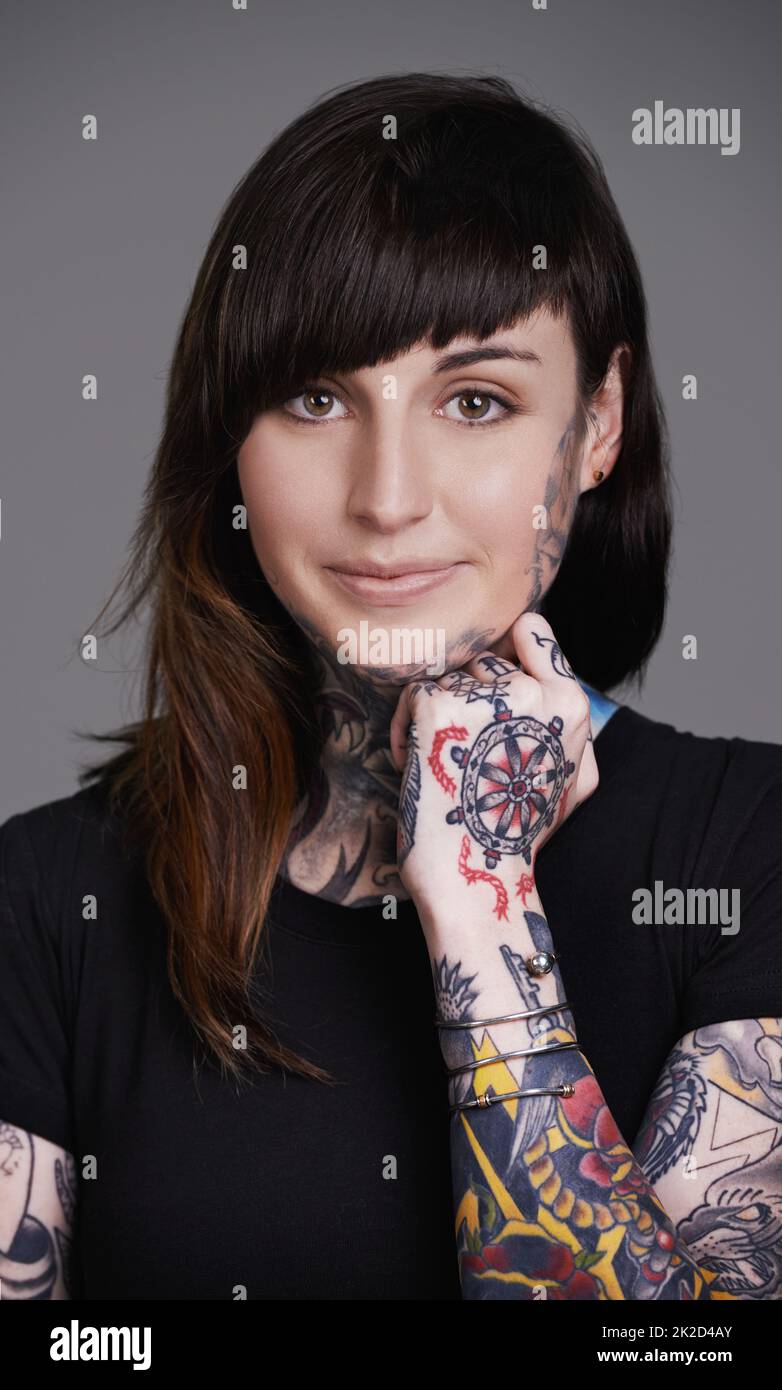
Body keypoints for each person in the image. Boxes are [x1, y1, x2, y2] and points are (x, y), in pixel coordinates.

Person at [1, 71, 781, 1303]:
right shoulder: (49, 903)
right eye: (316, 397)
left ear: (597, 424)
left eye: (476, 401)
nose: (385, 496)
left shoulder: (748, 845)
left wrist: (478, 897)